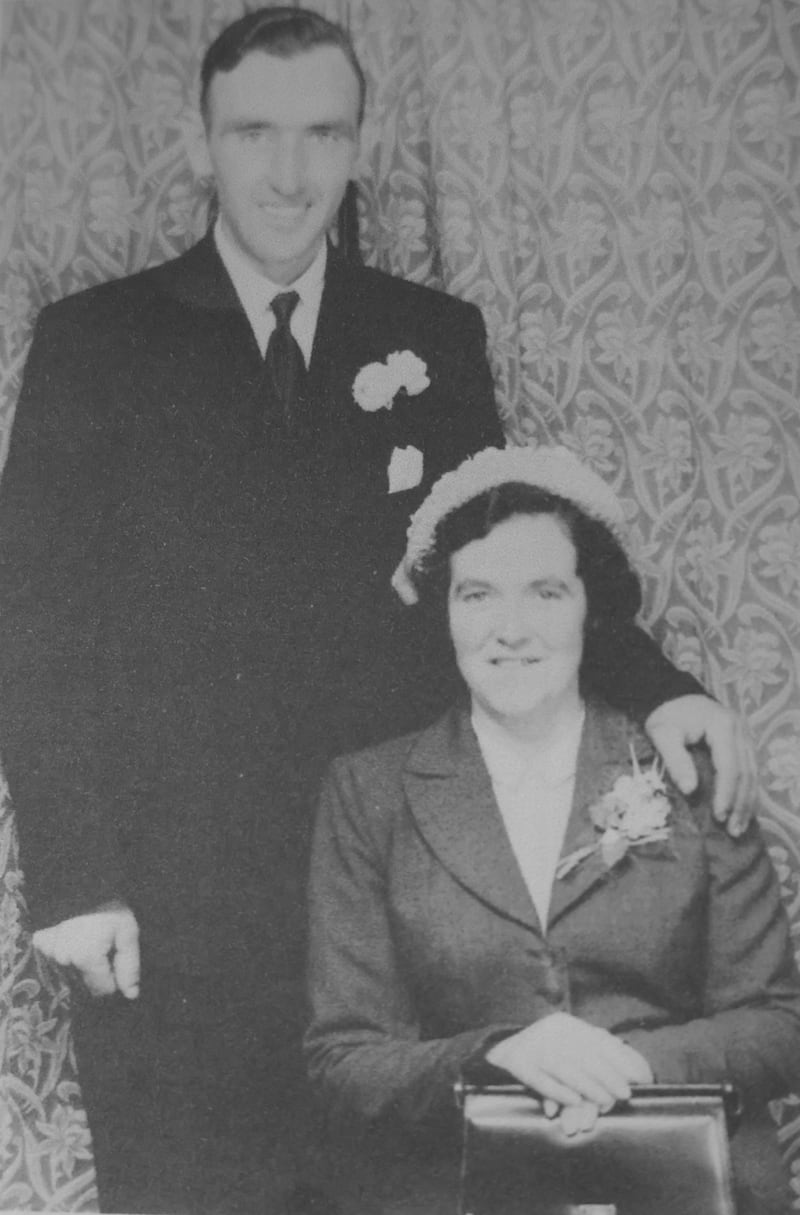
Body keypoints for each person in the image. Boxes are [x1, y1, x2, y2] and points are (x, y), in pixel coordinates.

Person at [0, 7, 750, 1214]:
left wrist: (662, 689)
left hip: (393, 897)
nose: (288, 172)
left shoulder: (427, 337)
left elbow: (504, 554)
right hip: (170, 908)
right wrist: (79, 881)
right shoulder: (96, 343)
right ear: (200, 145)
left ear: (359, 148)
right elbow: (30, 626)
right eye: (253, 133)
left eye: (320, 134)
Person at [305, 443, 800, 1215]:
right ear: (444, 610)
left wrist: (628, 1066)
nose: (510, 628)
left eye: (544, 592)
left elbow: (778, 1023)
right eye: (476, 595)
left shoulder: (687, 768)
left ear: (589, 606)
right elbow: (346, 1059)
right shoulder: (369, 792)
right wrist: (500, 1053)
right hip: (461, 1183)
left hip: (688, 1178)